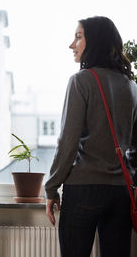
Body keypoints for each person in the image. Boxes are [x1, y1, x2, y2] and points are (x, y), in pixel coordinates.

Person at [45, 16, 137, 257]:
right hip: (121, 193)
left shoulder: (81, 81)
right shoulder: (132, 86)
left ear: (94, 41)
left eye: (78, 36)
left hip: (83, 189)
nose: (71, 44)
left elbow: (68, 141)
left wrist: (52, 187)